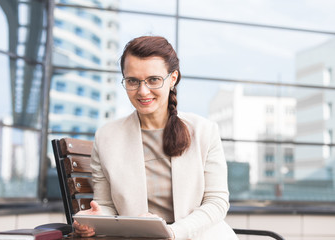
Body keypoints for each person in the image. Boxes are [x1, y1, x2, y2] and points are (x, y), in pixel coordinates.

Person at [73, 36, 238, 240]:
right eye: (132, 81)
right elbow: (106, 205)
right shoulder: (107, 137)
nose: (142, 91)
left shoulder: (204, 131)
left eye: (153, 80)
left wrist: (173, 232)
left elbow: (216, 202)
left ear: (173, 78)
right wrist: (94, 219)